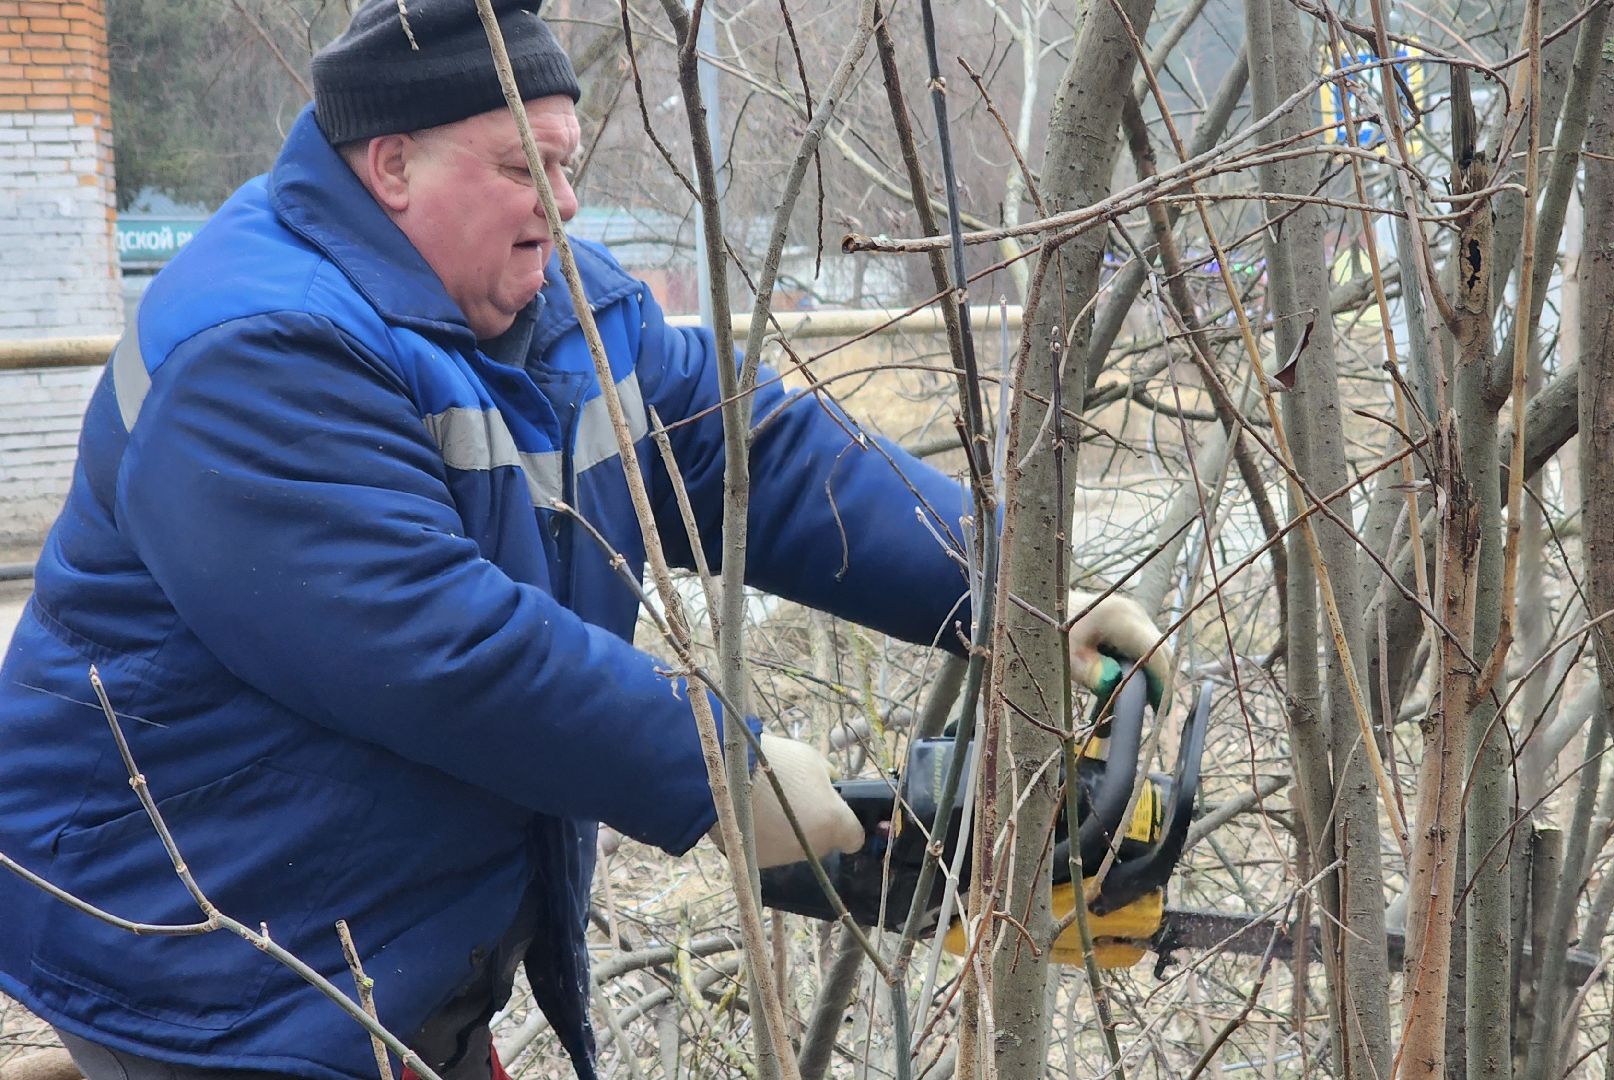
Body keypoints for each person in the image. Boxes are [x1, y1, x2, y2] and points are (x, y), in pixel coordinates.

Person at [0, 2, 1167, 1079]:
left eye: (565, 163)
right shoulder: (258, 348)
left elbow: (751, 451)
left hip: (374, 930)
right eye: (522, 168)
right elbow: (426, 643)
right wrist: (710, 768)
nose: (558, 203)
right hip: (204, 942)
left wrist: (1010, 581)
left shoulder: (568, 308)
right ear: (391, 164)